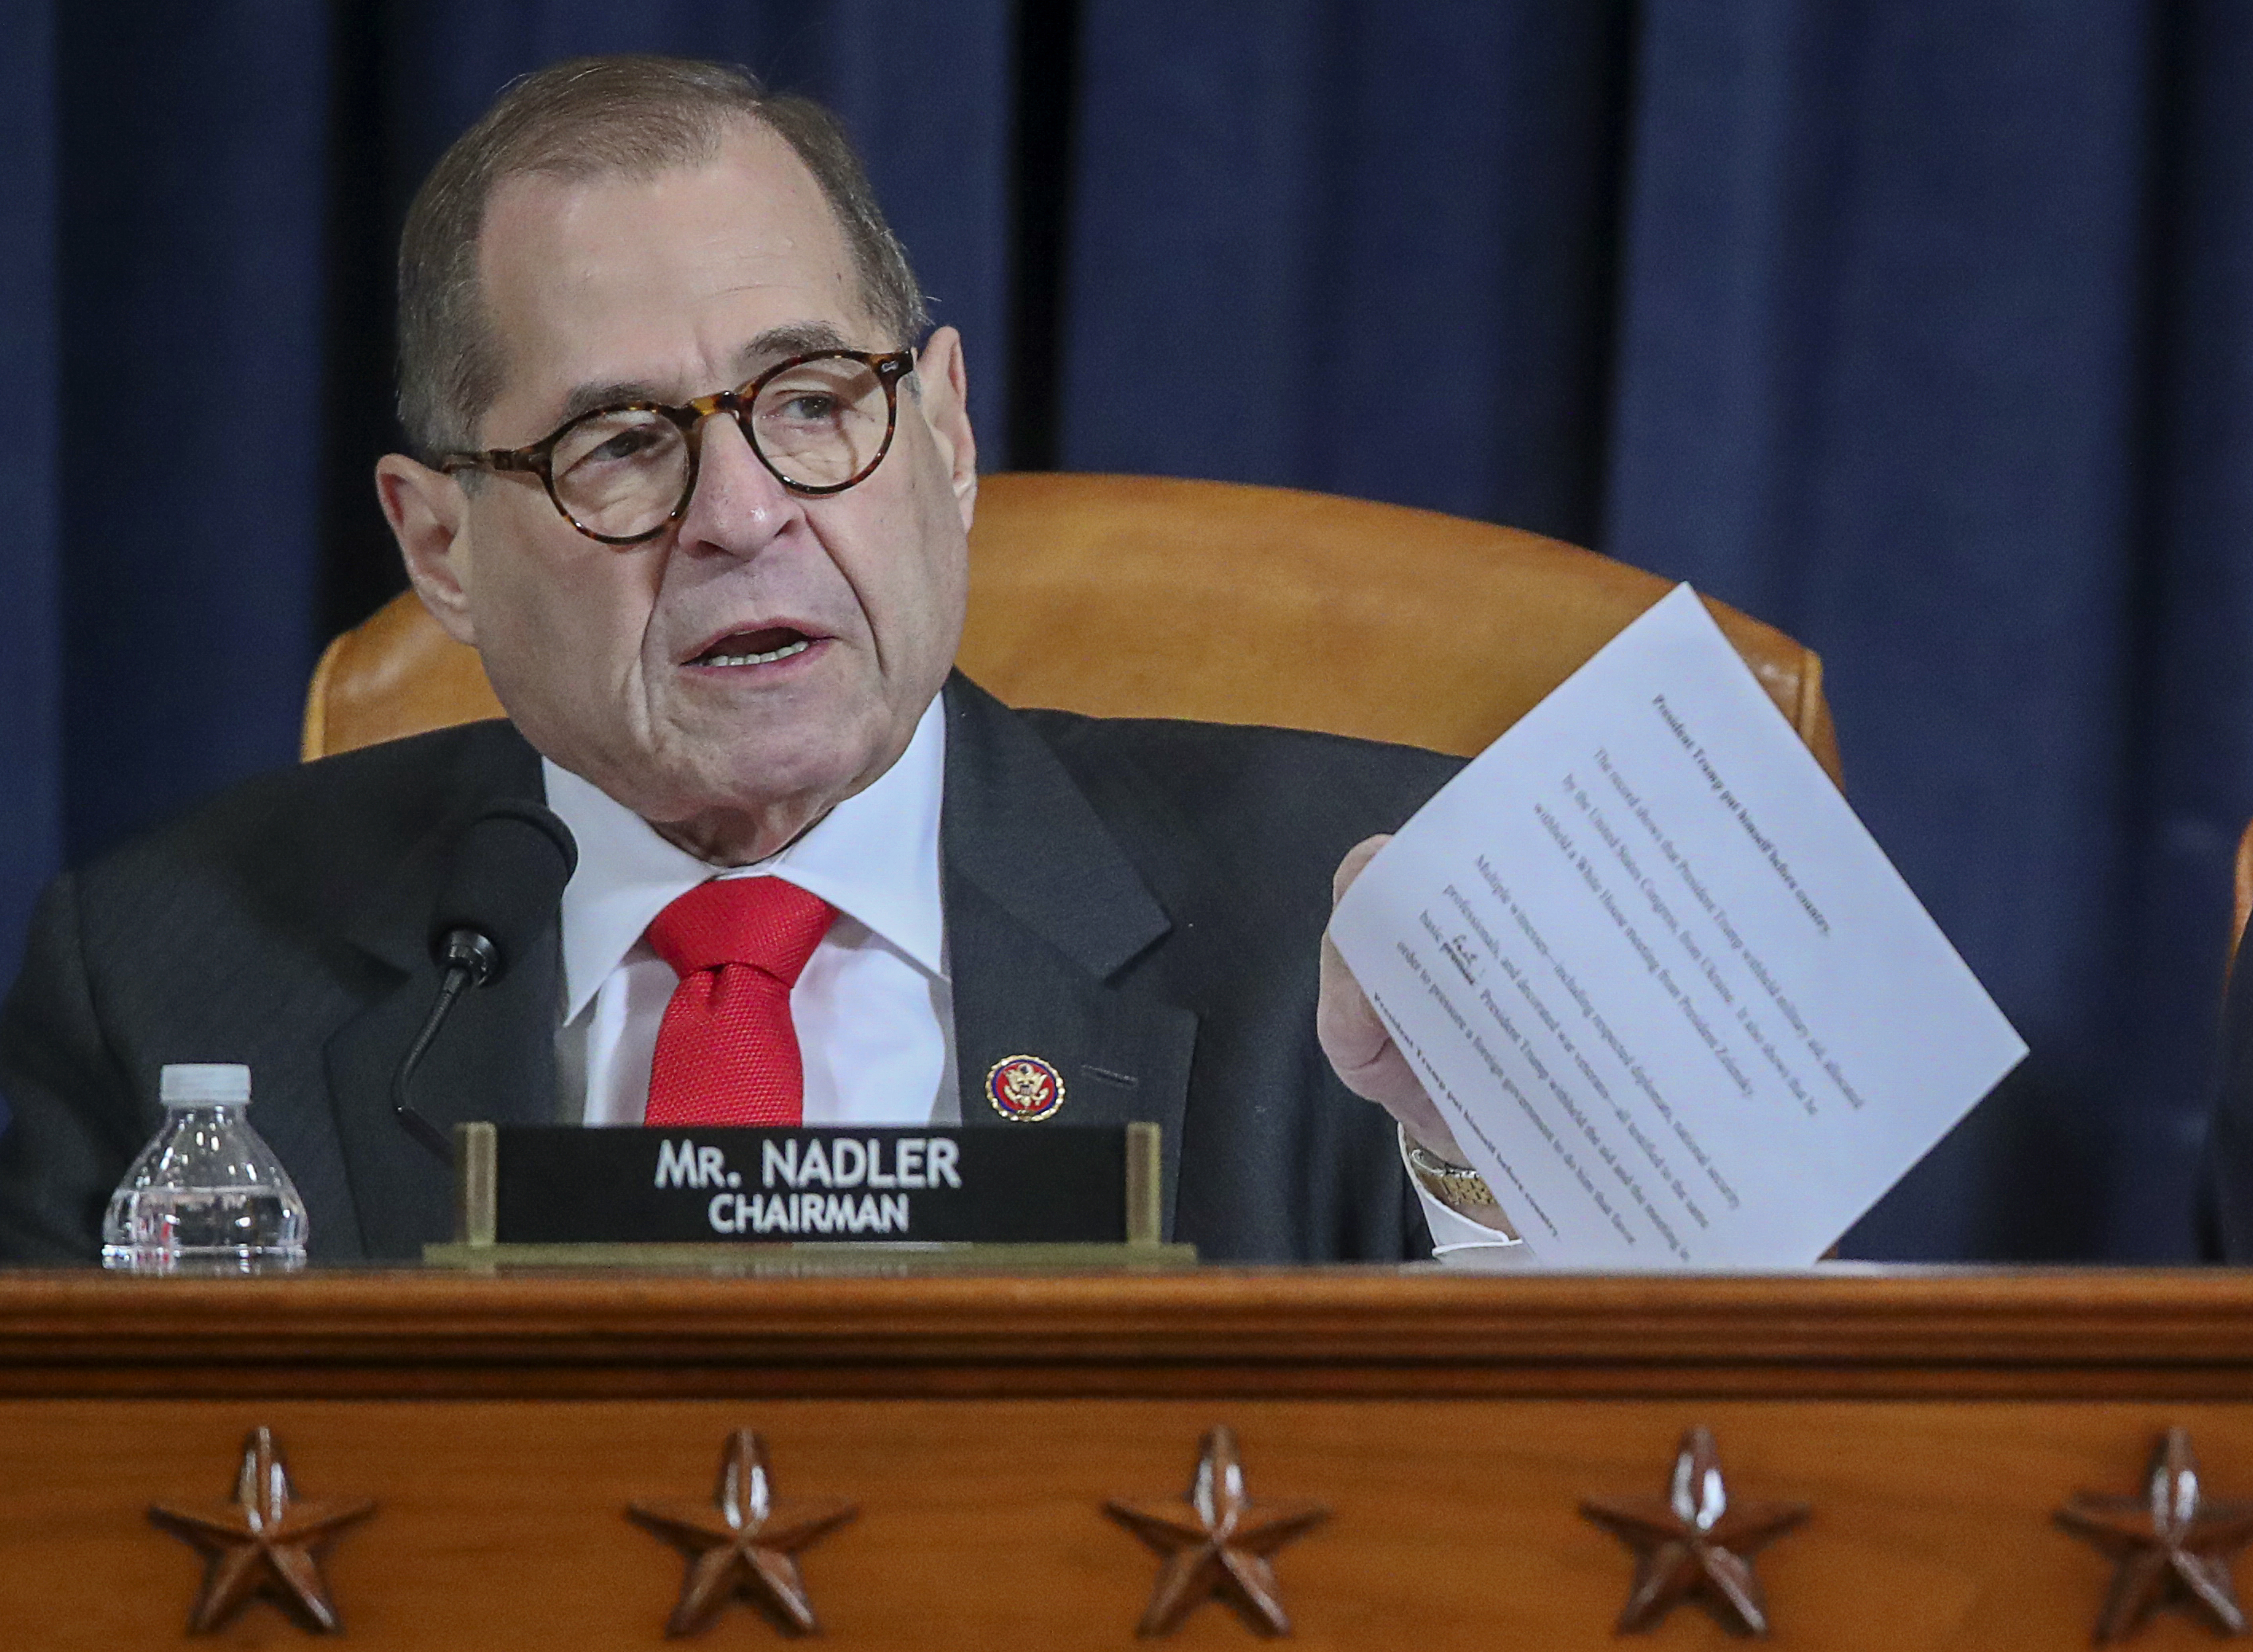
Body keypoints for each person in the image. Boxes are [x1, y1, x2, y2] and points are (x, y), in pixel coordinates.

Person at [0, 55, 1509, 1264]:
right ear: (440, 546)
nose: (742, 514)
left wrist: (1491, 1165)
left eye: (808, 399)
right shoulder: (163, 982)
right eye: (621, 443)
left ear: (946, 428)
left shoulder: (1365, 921)